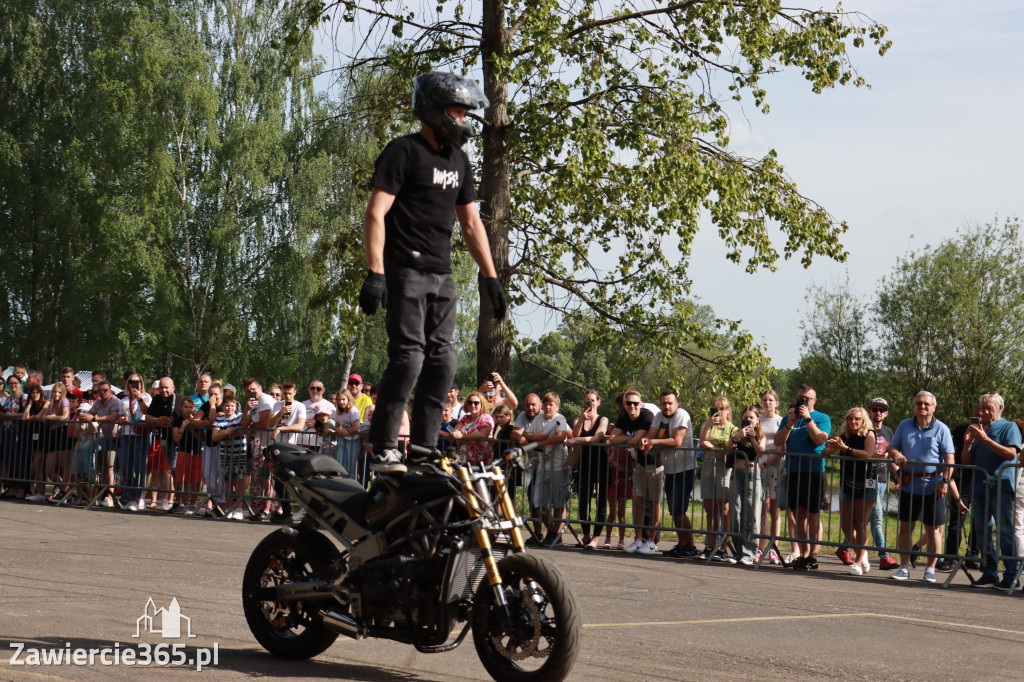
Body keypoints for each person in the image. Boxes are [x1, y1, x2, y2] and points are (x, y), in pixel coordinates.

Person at [358, 72, 506, 475]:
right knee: (408, 359)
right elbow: (376, 212)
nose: (464, 118)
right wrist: (376, 273)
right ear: (436, 111)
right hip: (406, 270)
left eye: (466, 112)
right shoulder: (402, 152)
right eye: (459, 110)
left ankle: (423, 448)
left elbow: (473, 224)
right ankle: (385, 446)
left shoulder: (459, 160)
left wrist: (491, 277)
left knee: (444, 361)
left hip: (443, 275)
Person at [885, 391, 955, 583]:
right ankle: (904, 567)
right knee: (906, 527)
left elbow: (950, 459)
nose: (922, 407)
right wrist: (896, 454)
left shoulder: (942, 429)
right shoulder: (904, 425)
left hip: (934, 485)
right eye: (919, 403)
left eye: (926, 404)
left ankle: (930, 569)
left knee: (933, 530)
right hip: (909, 484)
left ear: (934, 407)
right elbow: (891, 448)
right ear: (914, 406)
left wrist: (945, 482)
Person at [963, 391, 1022, 589]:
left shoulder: (1009, 427)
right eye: (984, 408)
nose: (986, 411)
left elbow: (1011, 453)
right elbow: (966, 461)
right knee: (982, 531)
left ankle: (1012, 574)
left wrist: (986, 439)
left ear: (1000, 408)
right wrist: (968, 444)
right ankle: (989, 573)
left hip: (1001, 485)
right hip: (979, 486)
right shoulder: (979, 428)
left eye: (990, 408)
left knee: (1004, 531)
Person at [774, 384, 831, 570]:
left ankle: (813, 556)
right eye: (800, 398)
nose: (802, 401)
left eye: (806, 399)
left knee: (813, 515)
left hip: (814, 471)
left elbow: (820, 439)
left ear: (814, 400)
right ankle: (804, 554)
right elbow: (778, 441)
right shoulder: (787, 419)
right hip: (794, 471)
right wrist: (790, 423)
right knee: (798, 515)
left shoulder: (822, 418)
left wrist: (807, 419)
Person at [822, 407, 878, 576]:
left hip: (866, 482)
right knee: (846, 526)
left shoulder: (869, 434)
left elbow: (868, 454)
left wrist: (845, 449)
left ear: (863, 420)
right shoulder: (844, 436)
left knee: (860, 523)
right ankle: (863, 552)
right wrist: (832, 448)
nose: (853, 422)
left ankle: (858, 562)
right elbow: (824, 453)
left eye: (857, 419)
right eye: (850, 419)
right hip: (847, 482)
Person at [643, 389, 694, 558]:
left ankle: (690, 545)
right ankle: (683, 544)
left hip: (684, 468)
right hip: (670, 468)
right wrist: (645, 440)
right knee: (674, 510)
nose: (667, 406)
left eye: (670, 403)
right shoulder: (658, 416)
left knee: (679, 509)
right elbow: (651, 434)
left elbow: (677, 441)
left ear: (677, 404)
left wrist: (653, 442)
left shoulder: (682, 415)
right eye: (664, 403)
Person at [521, 392, 571, 547]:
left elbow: (561, 436)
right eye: (546, 404)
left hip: (559, 467)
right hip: (542, 467)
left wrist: (542, 441)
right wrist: (540, 438)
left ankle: (555, 537)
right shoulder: (538, 419)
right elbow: (528, 434)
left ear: (557, 406)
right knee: (537, 503)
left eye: (551, 404)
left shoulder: (560, 419)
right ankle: (553, 533)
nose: (548, 407)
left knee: (557, 503)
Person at [608, 388, 655, 554]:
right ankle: (637, 539)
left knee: (653, 502)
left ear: (640, 404)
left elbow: (635, 440)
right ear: (624, 404)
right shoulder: (623, 416)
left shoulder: (647, 415)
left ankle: (650, 542)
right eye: (629, 403)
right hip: (639, 462)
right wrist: (629, 440)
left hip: (655, 462)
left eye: (636, 403)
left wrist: (626, 440)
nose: (632, 406)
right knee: (637, 501)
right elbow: (612, 440)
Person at [568, 390, 609, 549]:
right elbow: (575, 432)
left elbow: (598, 437)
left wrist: (577, 440)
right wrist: (581, 421)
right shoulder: (579, 418)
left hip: (601, 463)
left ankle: (596, 537)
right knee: (583, 500)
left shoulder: (603, 419)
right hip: (585, 463)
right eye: (587, 400)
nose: (590, 403)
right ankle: (586, 534)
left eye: (592, 400)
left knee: (601, 501)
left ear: (598, 402)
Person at [699, 396, 737, 561]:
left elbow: (731, 451)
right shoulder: (708, 426)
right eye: (715, 409)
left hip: (724, 468)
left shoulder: (732, 429)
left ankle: (723, 547)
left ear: (728, 411)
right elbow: (702, 442)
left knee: (724, 510)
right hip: (708, 466)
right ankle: (709, 546)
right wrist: (708, 424)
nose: (718, 412)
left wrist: (714, 448)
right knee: (711, 510)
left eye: (721, 409)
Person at [728, 405, 766, 565]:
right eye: (746, 417)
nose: (748, 420)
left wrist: (751, 438)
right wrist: (736, 437)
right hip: (737, 473)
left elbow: (761, 452)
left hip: (753, 474)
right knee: (735, 512)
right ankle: (738, 551)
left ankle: (749, 552)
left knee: (752, 513)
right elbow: (728, 447)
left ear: (757, 420)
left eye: (751, 417)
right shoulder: (737, 433)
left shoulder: (760, 436)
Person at [867, 398, 900, 570]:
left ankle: (843, 548)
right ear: (870, 411)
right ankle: (884, 556)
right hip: (868, 479)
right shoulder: (865, 429)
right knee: (877, 518)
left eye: (881, 410)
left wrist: (898, 476)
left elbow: (890, 458)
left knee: (866, 518)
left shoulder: (888, 431)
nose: (878, 412)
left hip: (882, 480)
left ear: (886, 413)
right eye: (875, 409)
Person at [117, 373, 152, 511]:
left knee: (139, 467)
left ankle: (138, 498)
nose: (133, 385)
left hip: (140, 435)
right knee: (126, 467)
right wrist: (121, 419)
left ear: (141, 383)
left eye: (137, 382)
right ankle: (129, 496)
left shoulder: (146, 397)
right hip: (127, 434)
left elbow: (146, 411)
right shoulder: (124, 400)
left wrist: (139, 398)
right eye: (131, 382)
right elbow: (121, 415)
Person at [757, 390, 784, 564]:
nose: (767, 403)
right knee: (760, 508)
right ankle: (761, 546)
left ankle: (774, 548)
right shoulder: (757, 419)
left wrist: (771, 460)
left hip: (776, 465)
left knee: (774, 508)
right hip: (759, 464)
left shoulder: (781, 421)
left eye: (771, 400)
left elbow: (782, 444)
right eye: (765, 400)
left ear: (776, 403)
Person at [212, 395, 247, 520]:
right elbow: (214, 436)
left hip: (239, 453)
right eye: (227, 406)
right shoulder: (219, 420)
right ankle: (229, 507)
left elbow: (246, 427)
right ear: (223, 406)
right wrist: (225, 433)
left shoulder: (240, 417)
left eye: (232, 406)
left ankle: (239, 508)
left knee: (239, 481)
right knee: (227, 482)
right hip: (225, 453)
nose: (229, 408)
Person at [171, 396, 204, 516]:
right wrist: (184, 426)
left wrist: (192, 428)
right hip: (183, 451)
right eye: (186, 407)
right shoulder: (177, 420)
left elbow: (202, 438)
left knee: (195, 479)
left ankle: (193, 504)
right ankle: (184, 504)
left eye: (190, 407)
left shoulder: (196, 421)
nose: (188, 409)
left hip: (196, 452)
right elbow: (176, 438)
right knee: (182, 478)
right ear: (181, 408)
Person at [42, 382, 71, 502]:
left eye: (59, 392)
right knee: (49, 469)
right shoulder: (50, 403)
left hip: (63, 432)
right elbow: (43, 418)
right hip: (53, 434)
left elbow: (64, 416)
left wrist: (50, 418)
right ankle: (64, 490)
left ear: (63, 392)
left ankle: (64, 493)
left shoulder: (64, 401)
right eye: (55, 391)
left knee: (64, 467)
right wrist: (50, 417)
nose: (57, 394)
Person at [1, 376, 29, 499]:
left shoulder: (24, 397)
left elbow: (27, 414)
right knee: (9, 460)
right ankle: (11, 488)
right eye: (10, 383)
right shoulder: (8, 399)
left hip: (21, 433)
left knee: (19, 462)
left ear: (20, 384)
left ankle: (21, 490)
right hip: (8, 433)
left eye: (15, 383)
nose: (13, 385)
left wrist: (11, 416)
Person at [22, 383, 50, 502]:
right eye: (32, 393)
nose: (35, 395)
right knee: (36, 466)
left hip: (43, 436)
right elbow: (24, 418)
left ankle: (41, 492)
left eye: (37, 393)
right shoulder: (30, 404)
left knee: (37, 465)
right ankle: (39, 491)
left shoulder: (46, 403)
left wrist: (31, 417)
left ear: (41, 393)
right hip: (32, 436)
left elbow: (39, 416)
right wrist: (29, 405)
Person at [450, 391, 494, 466]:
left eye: (476, 403)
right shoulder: (465, 417)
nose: (472, 405)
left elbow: (483, 434)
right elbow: (455, 432)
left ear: (482, 404)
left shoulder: (486, 418)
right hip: (463, 460)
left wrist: (463, 435)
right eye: (470, 403)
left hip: (481, 462)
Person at [333, 389, 361, 474]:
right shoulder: (338, 412)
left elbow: (356, 427)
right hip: (343, 439)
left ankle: (351, 484)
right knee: (341, 463)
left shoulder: (353, 410)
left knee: (351, 465)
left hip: (353, 440)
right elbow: (337, 426)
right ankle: (342, 482)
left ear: (348, 399)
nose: (341, 402)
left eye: (343, 399)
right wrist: (339, 431)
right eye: (339, 400)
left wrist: (344, 432)